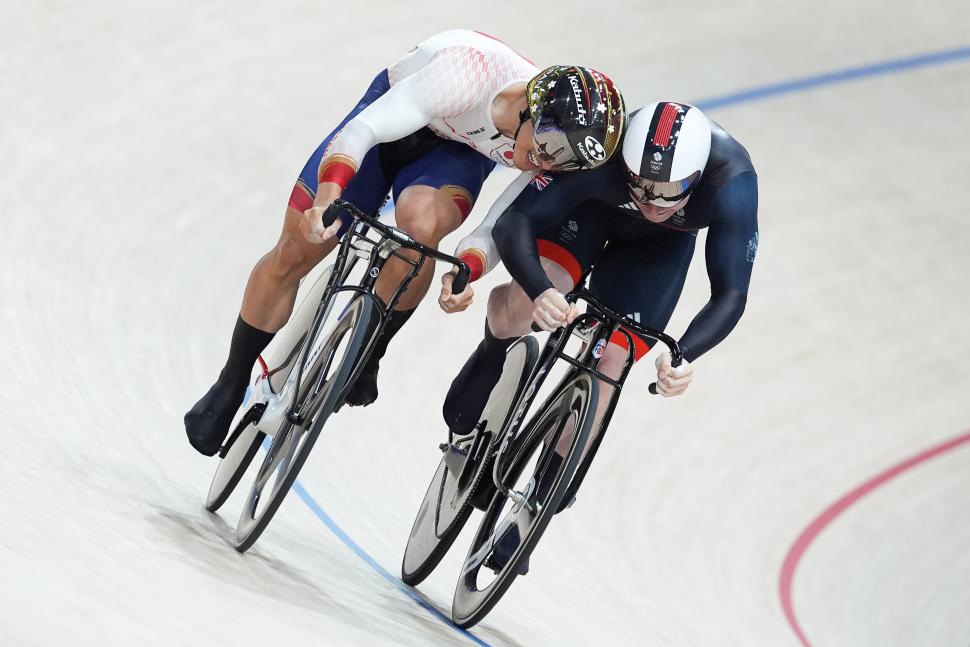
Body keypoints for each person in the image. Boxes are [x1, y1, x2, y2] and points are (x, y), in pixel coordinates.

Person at [184, 29, 625, 456]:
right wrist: (327, 198)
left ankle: (372, 348)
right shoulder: (467, 73)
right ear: (530, 108)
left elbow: (502, 223)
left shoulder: (548, 150)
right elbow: (365, 132)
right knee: (296, 251)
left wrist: (468, 267)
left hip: (457, 154)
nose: (546, 161)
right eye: (547, 145)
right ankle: (231, 378)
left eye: (564, 160)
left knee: (421, 229)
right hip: (394, 122)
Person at [437, 101, 758, 571]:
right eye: (641, 184)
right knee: (527, 304)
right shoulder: (606, 149)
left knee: (613, 358)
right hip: (589, 212)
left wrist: (685, 354)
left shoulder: (732, 181)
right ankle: (493, 356)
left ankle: (536, 506)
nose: (650, 201)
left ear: (697, 178)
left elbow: (730, 293)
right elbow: (515, 222)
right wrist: (541, 289)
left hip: (659, 248)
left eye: (667, 191)